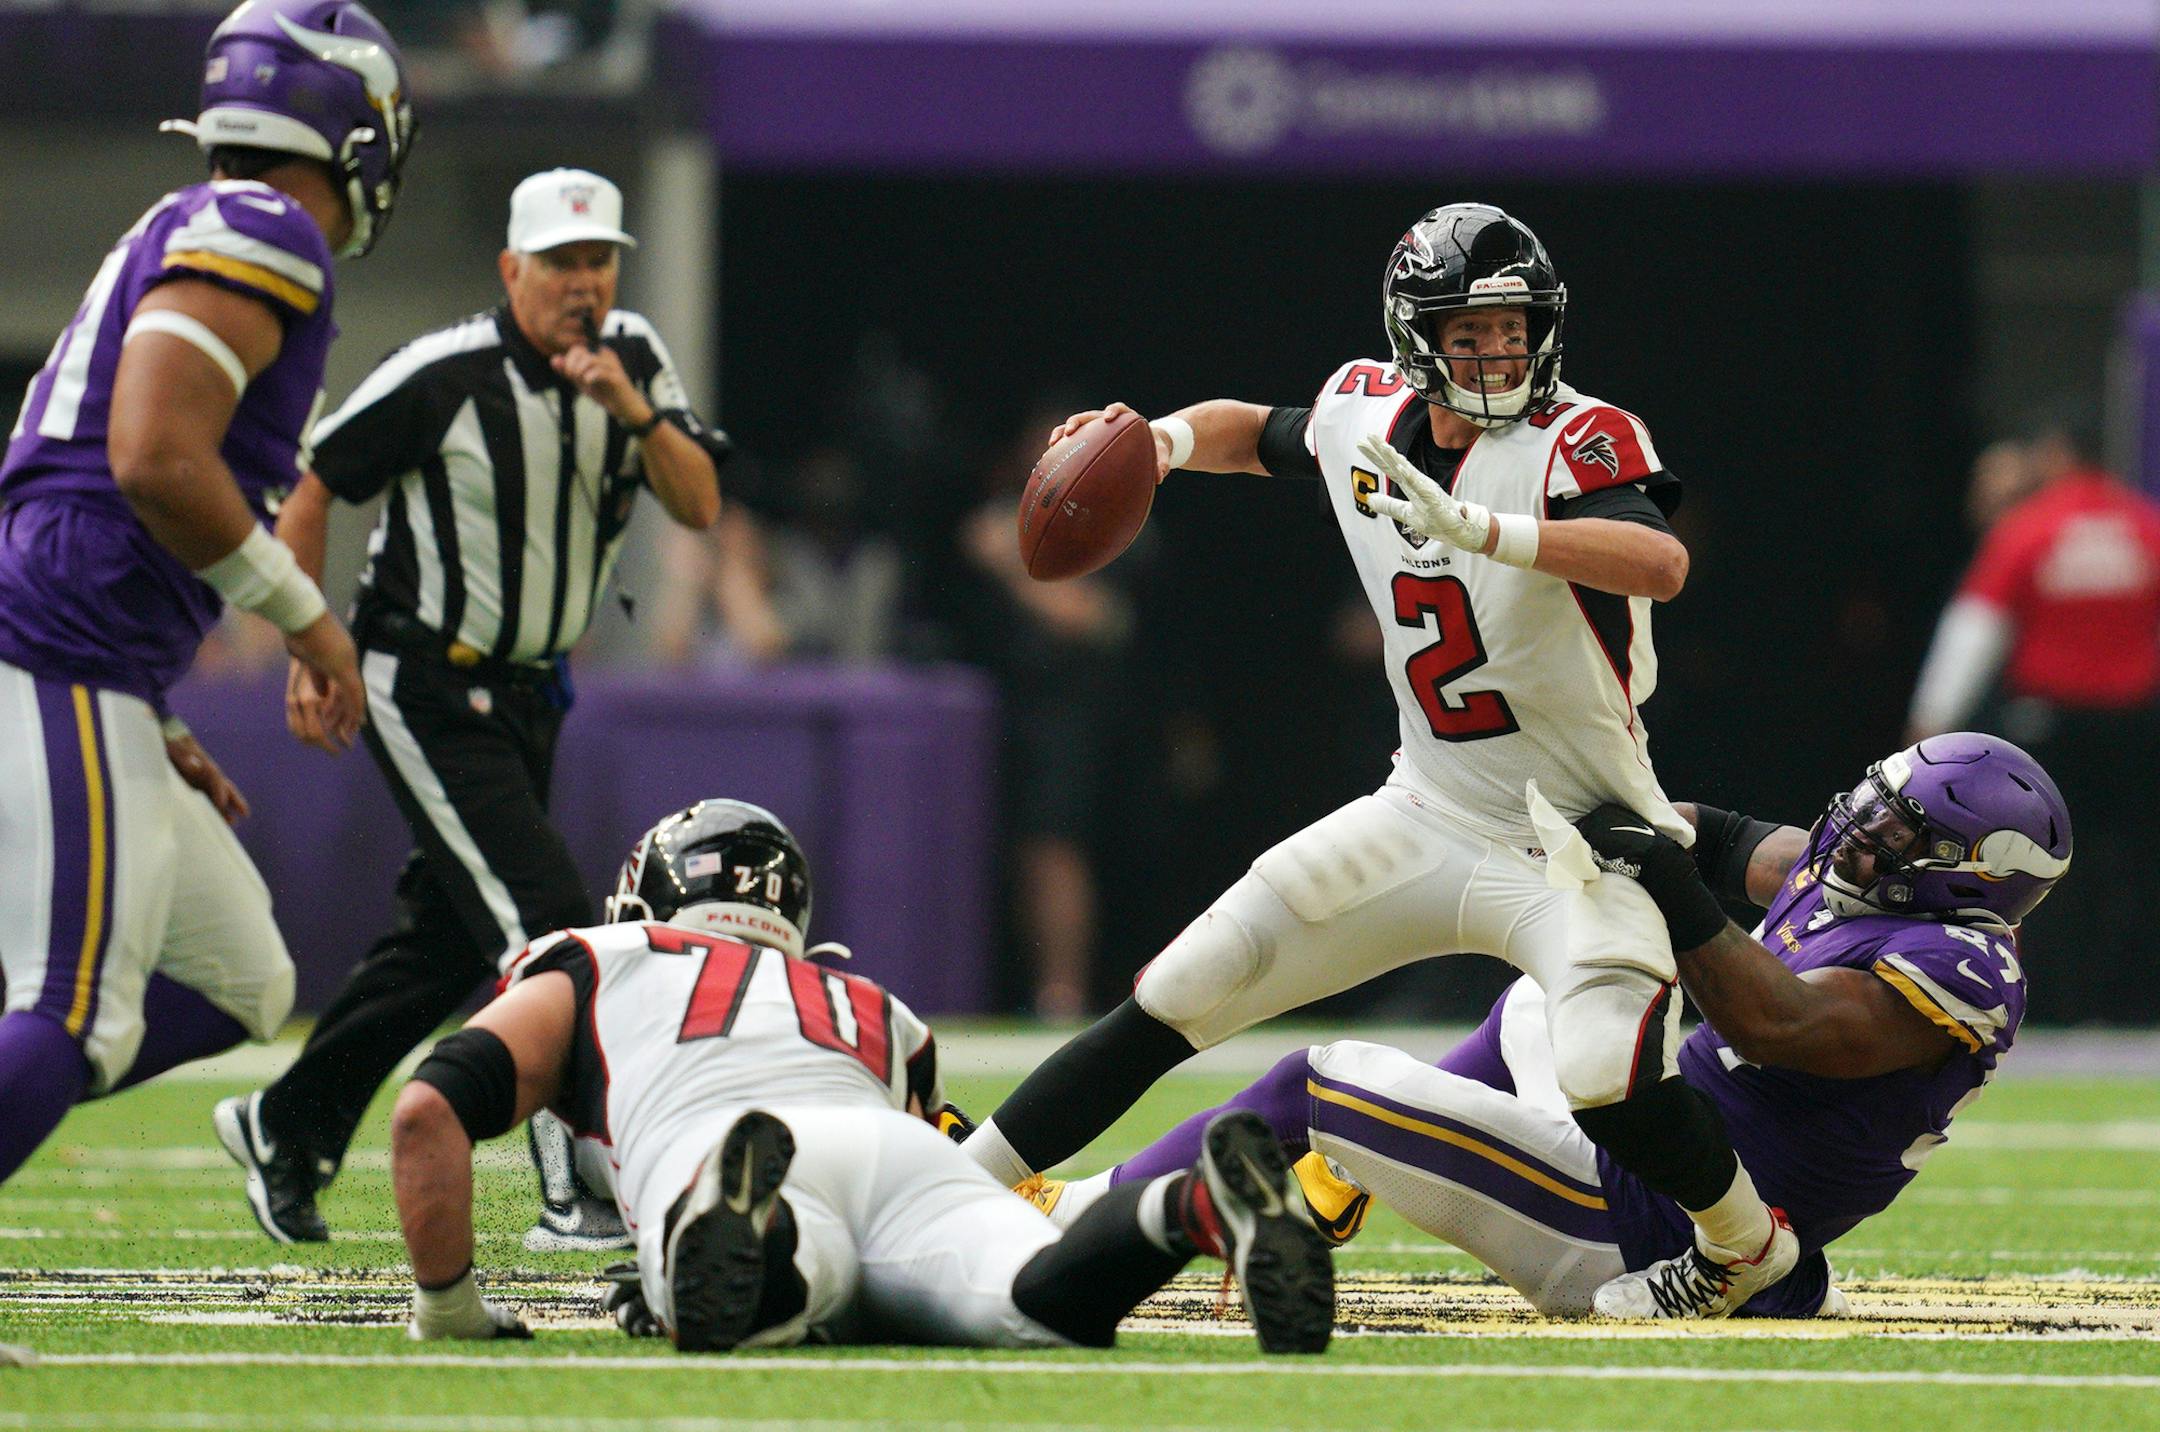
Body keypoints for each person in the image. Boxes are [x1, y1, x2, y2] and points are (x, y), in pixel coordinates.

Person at [963, 202, 1803, 1317]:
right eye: (1471, 332)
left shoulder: (1579, 436)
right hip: (1428, 810)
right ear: (1418, 339)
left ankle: (1747, 1246)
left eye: (1515, 328)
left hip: (1581, 838)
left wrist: (1489, 530)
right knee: (1184, 983)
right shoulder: (1365, 413)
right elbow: (1246, 429)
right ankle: (952, 1190)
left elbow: (1659, 561)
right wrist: (1155, 444)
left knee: (1605, 1069)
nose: (1499, 351)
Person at [1029, 733, 2070, 1319]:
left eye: (1902, 833)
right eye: (1875, 807)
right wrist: (1575, 796)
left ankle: (1080, 1210)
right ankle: (1335, 1185)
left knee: (1320, 1080)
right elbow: (1719, 839)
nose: (1862, 835)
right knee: (1541, 996)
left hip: (1643, 1223)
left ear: (1979, 877)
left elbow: (1781, 1017)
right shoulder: (1861, 879)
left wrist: (1663, 881)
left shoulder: (1960, 967)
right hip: (1664, 1154)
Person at [214, 166, 730, 1248]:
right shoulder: (443, 372)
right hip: (427, 675)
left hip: (534, 691)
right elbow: (316, 479)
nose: (583, 284)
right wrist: (313, 646)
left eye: (598, 261)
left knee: (447, 943)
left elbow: (699, 501)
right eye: (560, 264)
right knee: (548, 919)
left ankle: (285, 1121)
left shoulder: (631, 357)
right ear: (513, 270)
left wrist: (628, 409)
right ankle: (570, 1192)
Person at [387, 800, 1336, 1353]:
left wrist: (450, 1306)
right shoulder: (873, 1007)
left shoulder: (599, 956)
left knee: (787, 1295)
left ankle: (749, 1238)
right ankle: (1193, 1209)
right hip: (897, 1148)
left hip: (716, 1137)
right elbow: (942, 1147)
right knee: (1035, 1303)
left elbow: (429, 1109)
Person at [0, 0, 414, 1186]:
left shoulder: (208, 220)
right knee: (77, 1009)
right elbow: (153, 459)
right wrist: (310, 620)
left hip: (86, 653)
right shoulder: (264, 225)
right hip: (53, 641)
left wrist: (159, 711)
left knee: (241, 973)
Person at [1907, 403, 2160, 1020]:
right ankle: (2133, 1004)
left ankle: (2059, 1004)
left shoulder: (2030, 527)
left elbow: (1975, 627)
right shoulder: (2146, 525)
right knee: (2137, 864)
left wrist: (1931, 718)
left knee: (2048, 867)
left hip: (2052, 728)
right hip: (2137, 728)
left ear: (2057, 456)